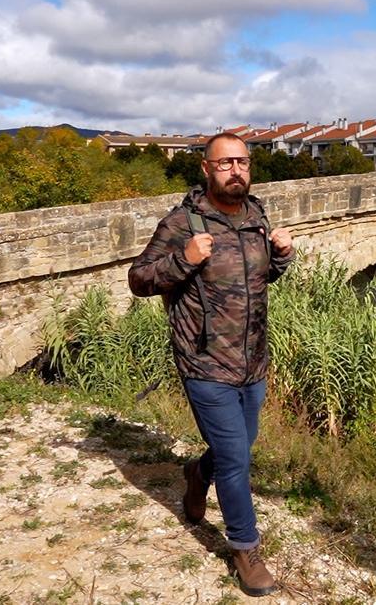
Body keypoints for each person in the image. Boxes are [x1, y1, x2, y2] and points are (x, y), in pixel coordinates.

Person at [127, 132, 293, 597]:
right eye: (225, 163)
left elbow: (258, 280)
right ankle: (244, 549)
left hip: (254, 360)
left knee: (235, 449)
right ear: (206, 169)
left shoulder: (256, 213)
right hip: (203, 362)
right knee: (238, 458)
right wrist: (184, 258)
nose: (235, 170)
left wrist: (281, 257)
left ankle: (198, 476)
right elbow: (138, 279)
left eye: (242, 162)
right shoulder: (182, 222)